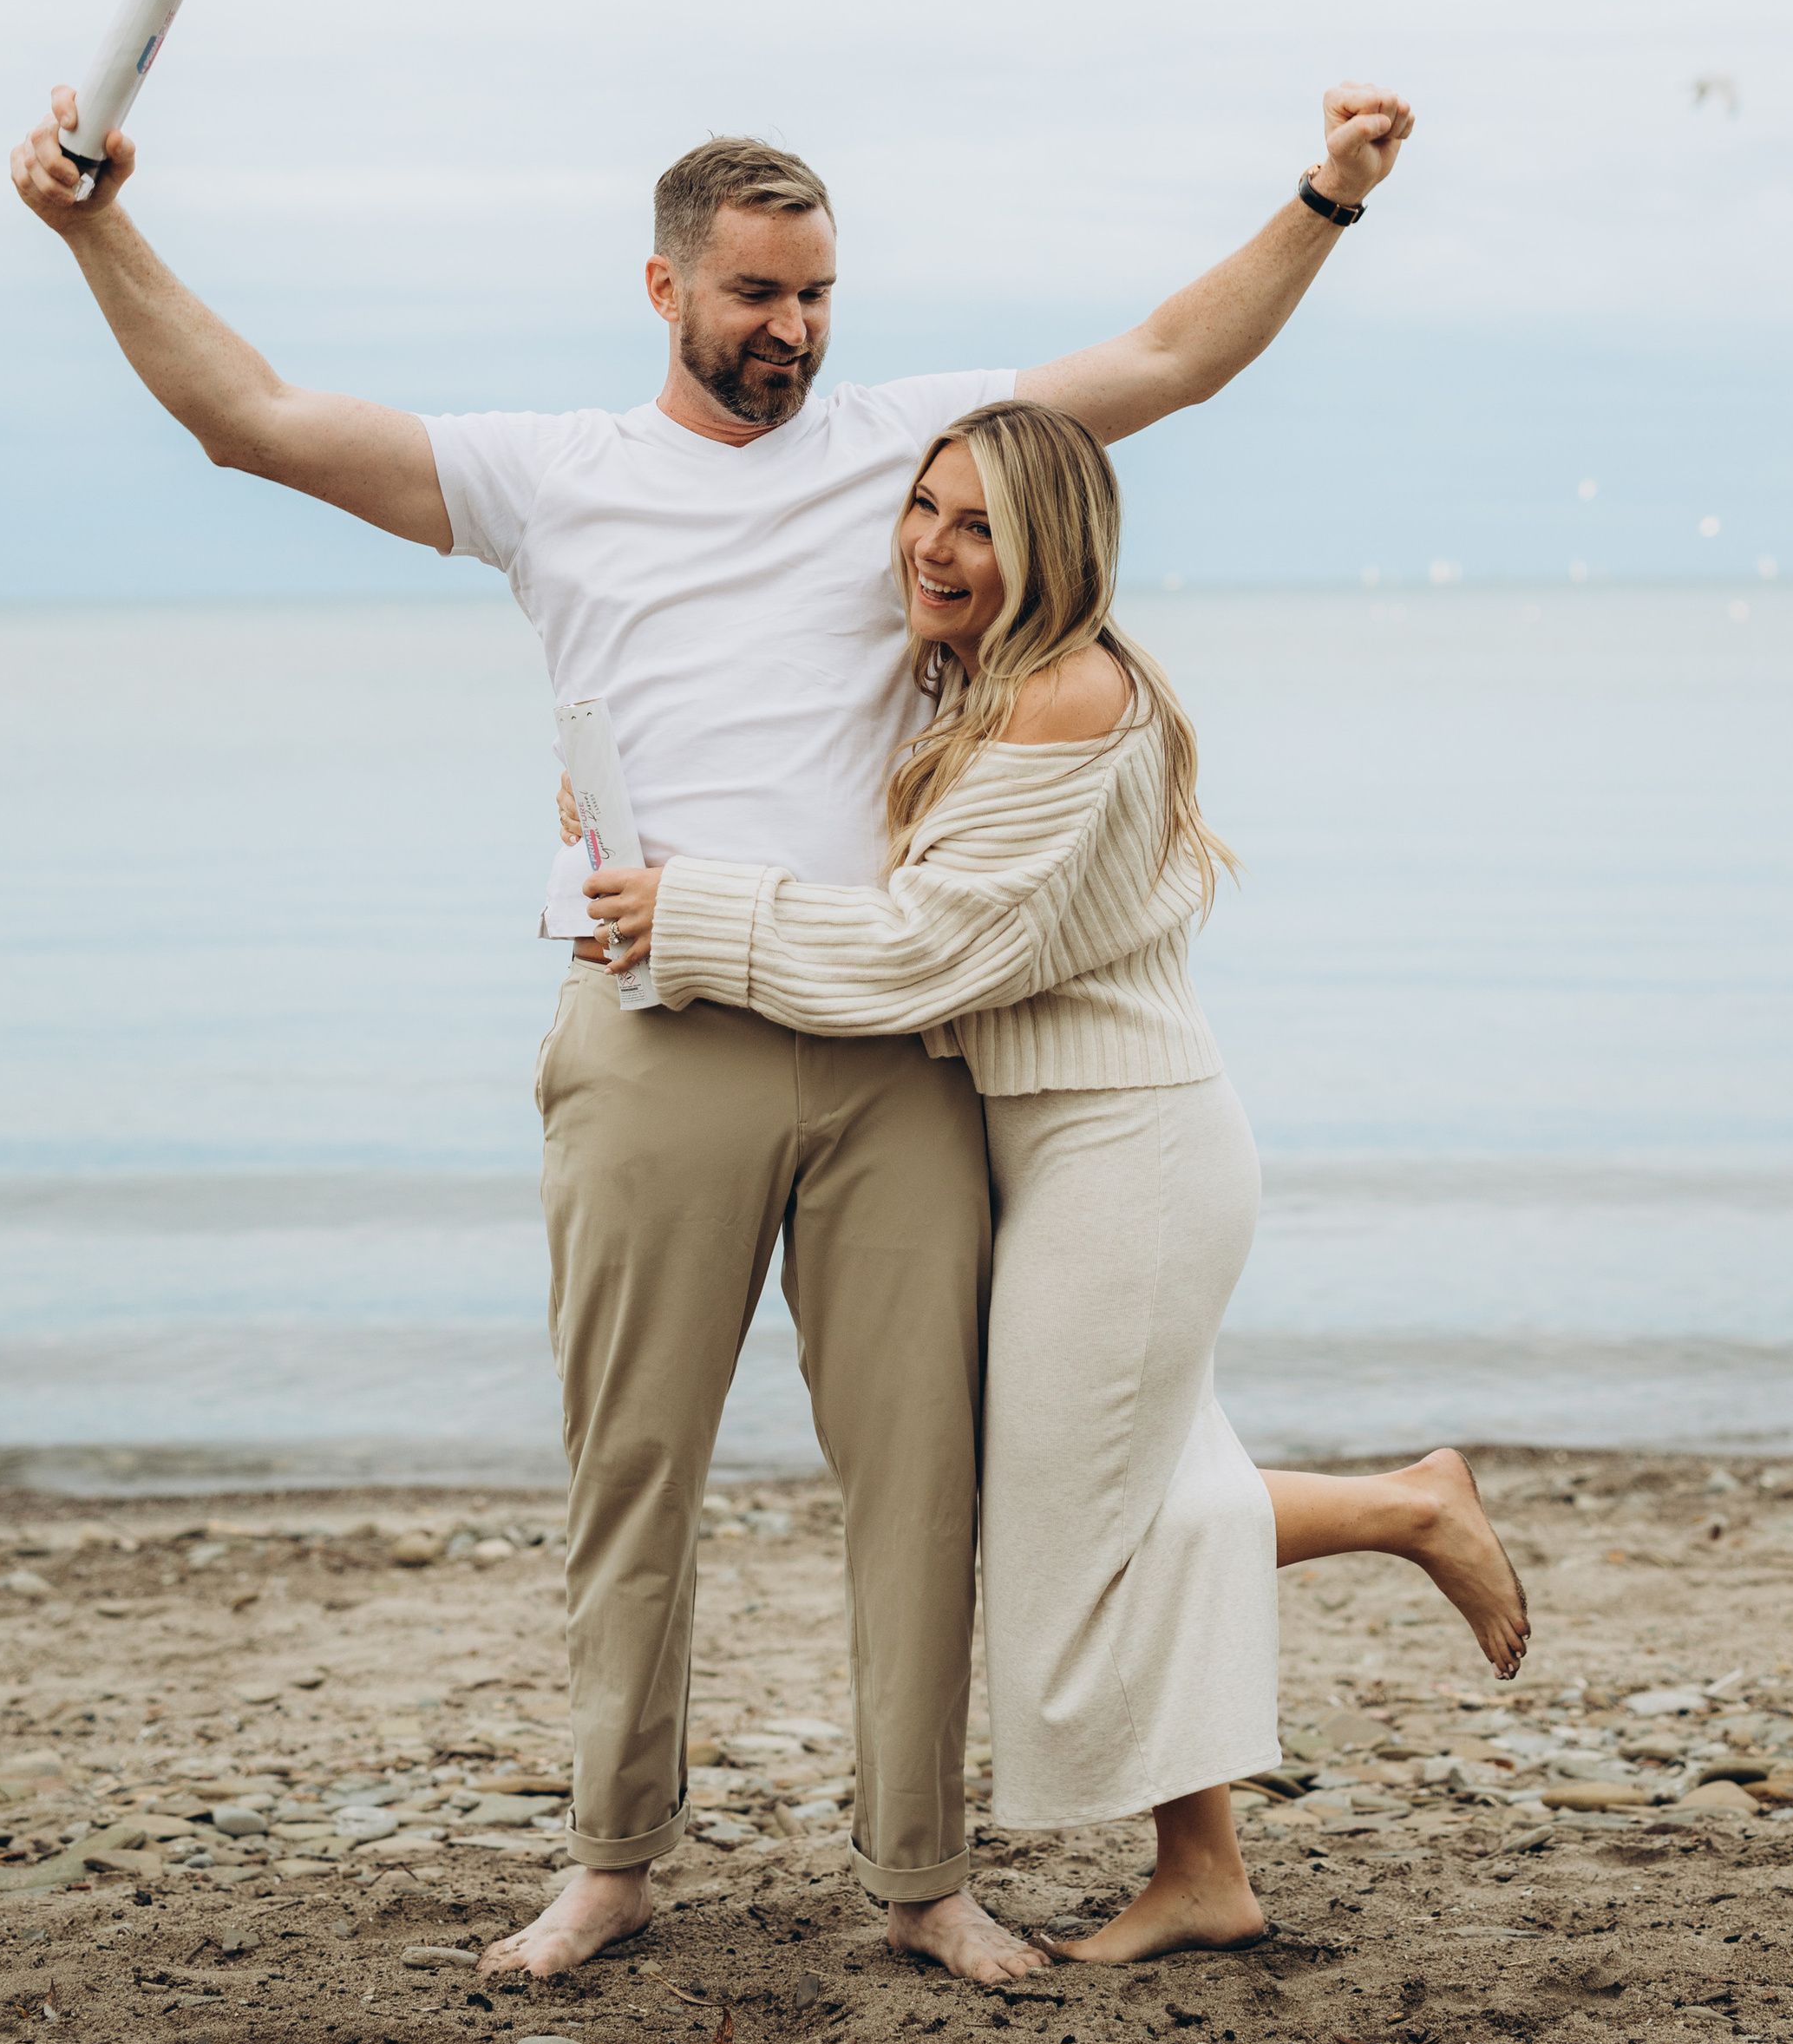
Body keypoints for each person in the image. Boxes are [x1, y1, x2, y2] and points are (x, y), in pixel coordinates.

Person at [8, 75, 1412, 1988]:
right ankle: (609, 1857)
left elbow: (1172, 355)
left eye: (817, 294)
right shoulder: (547, 471)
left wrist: (1323, 197)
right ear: (663, 283)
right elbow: (249, 422)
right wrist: (97, 228)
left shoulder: (918, 453)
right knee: (633, 1468)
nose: (794, 331)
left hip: (886, 1054)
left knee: (917, 1492)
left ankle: (922, 1877)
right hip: (652, 1036)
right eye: (757, 295)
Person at [575, 398, 1528, 1962]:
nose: (937, 549)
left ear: (1054, 548)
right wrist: (639, 824)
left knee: (1063, 1532)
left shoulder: (1065, 698)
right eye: (925, 510)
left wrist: (690, 912)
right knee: (1144, 1494)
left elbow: (930, 947)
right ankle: (1204, 1870)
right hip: (1061, 1142)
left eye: (981, 526)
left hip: (1125, 1149)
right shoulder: (985, 677)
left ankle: (1407, 1507)